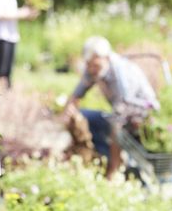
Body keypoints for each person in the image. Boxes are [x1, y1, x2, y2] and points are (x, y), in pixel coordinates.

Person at [64, 36, 160, 179]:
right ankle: (101, 155)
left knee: (115, 125)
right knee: (82, 116)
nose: (91, 69)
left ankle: (113, 168)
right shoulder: (94, 69)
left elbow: (123, 110)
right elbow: (77, 94)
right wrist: (69, 110)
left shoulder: (123, 72)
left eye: (95, 66)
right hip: (118, 112)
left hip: (140, 115)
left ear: (106, 58)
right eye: (88, 65)